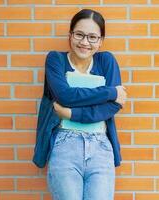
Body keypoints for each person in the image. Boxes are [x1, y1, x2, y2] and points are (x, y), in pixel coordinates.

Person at [41, 9, 126, 200]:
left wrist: (72, 115)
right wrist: (110, 92)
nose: (85, 42)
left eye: (92, 37)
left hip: (101, 147)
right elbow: (65, 96)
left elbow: (112, 107)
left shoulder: (107, 61)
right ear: (70, 35)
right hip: (65, 145)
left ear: (101, 40)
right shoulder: (55, 60)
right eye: (79, 34)